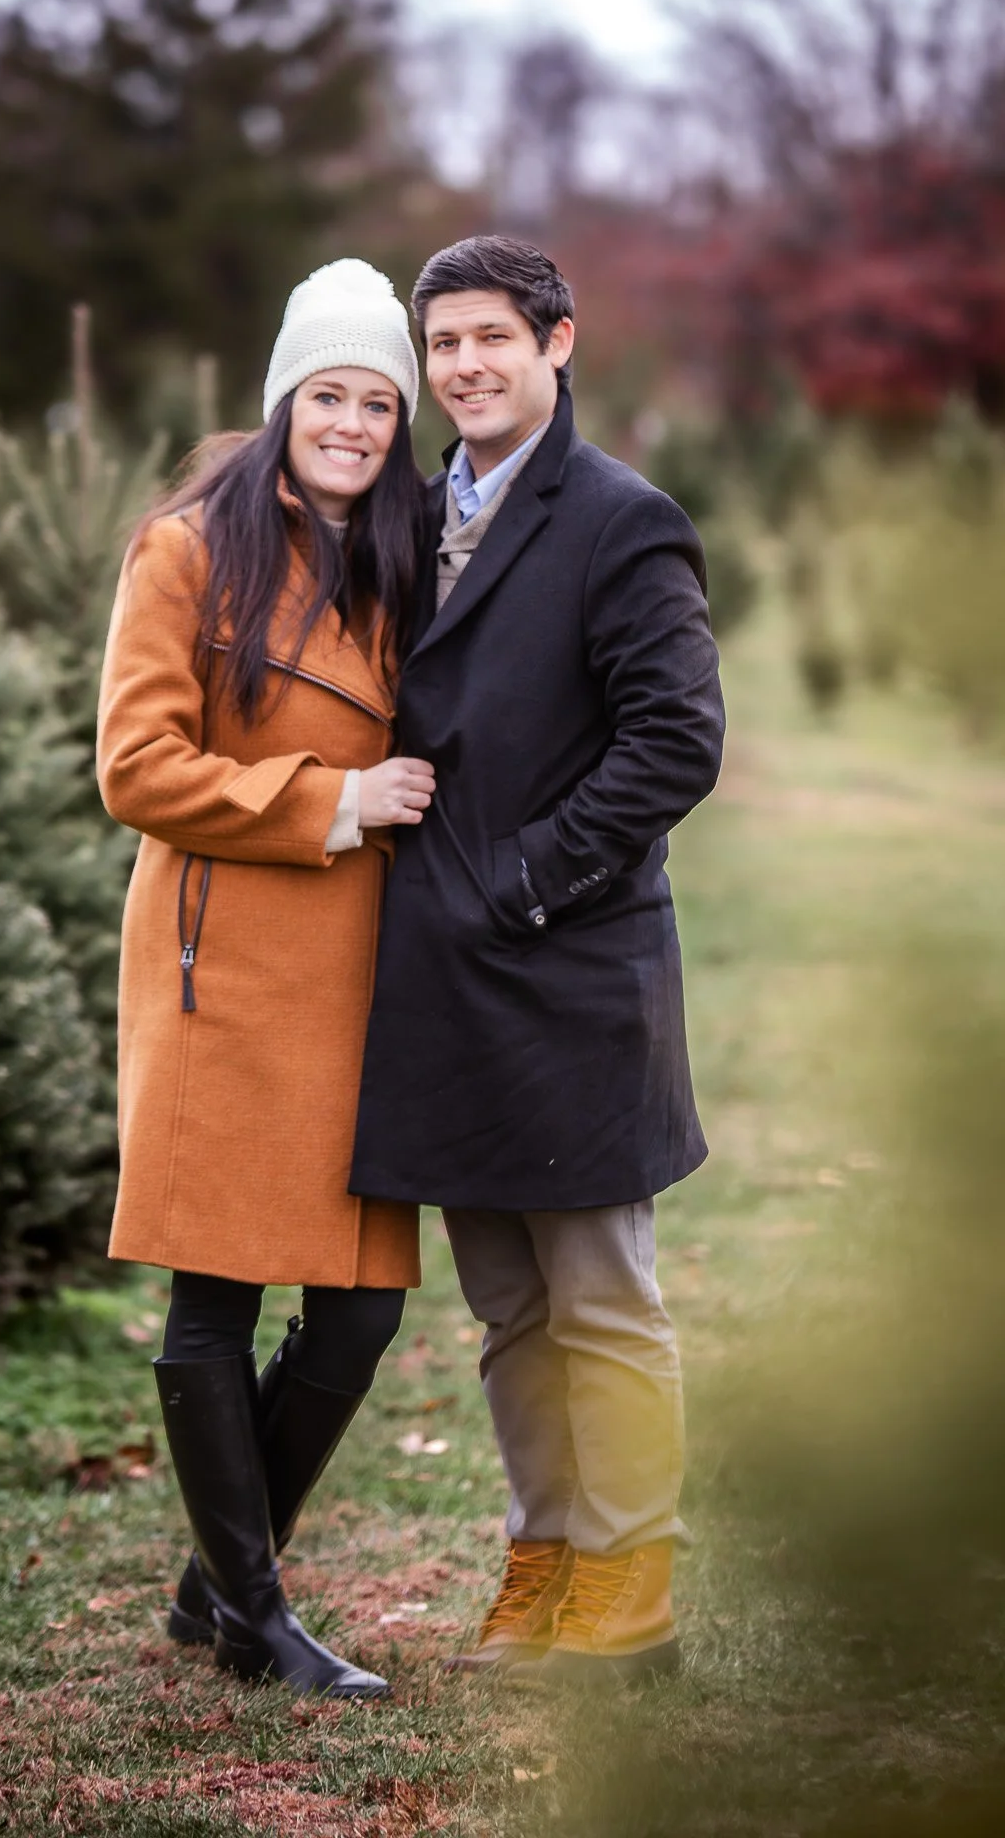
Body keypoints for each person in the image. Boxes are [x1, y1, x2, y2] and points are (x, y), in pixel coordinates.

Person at [348, 235, 725, 1687]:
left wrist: (525, 877)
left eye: (493, 337)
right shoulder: (403, 516)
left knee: (601, 1299)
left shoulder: (622, 520)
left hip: (569, 968)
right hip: (443, 978)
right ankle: (544, 1555)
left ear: (557, 343)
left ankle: (630, 1587)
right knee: (508, 1305)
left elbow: (675, 741)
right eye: (443, 344)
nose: (466, 367)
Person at [96, 259, 437, 1700]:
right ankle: (255, 1617)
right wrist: (334, 802)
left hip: (362, 971)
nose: (352, 424)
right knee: (217, 1293)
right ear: (286, 398)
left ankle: (216, 1583)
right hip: (221, 961)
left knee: (360, 1306)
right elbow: (136, 768)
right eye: (329, 394)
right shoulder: (188, 551)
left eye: (379, 403)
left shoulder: (411, 556)